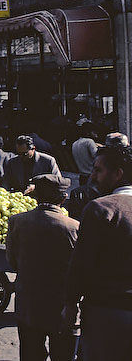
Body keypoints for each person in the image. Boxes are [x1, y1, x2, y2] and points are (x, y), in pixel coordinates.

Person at [65, 145, 132, 361]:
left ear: (118, 174)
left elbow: (81, 264)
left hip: (107, 312)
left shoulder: (101, 208)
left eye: (98, 170)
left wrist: (70, 303)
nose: (92, 176)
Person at [6, 174, 79, 361]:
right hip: (61, 306)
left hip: (29, 305)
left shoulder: (17, 221)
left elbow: (12, 262)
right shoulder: (73, 227)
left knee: (31, 353)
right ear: (63, 198)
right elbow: (79, 269)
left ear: (36, 196)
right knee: (62, 354)